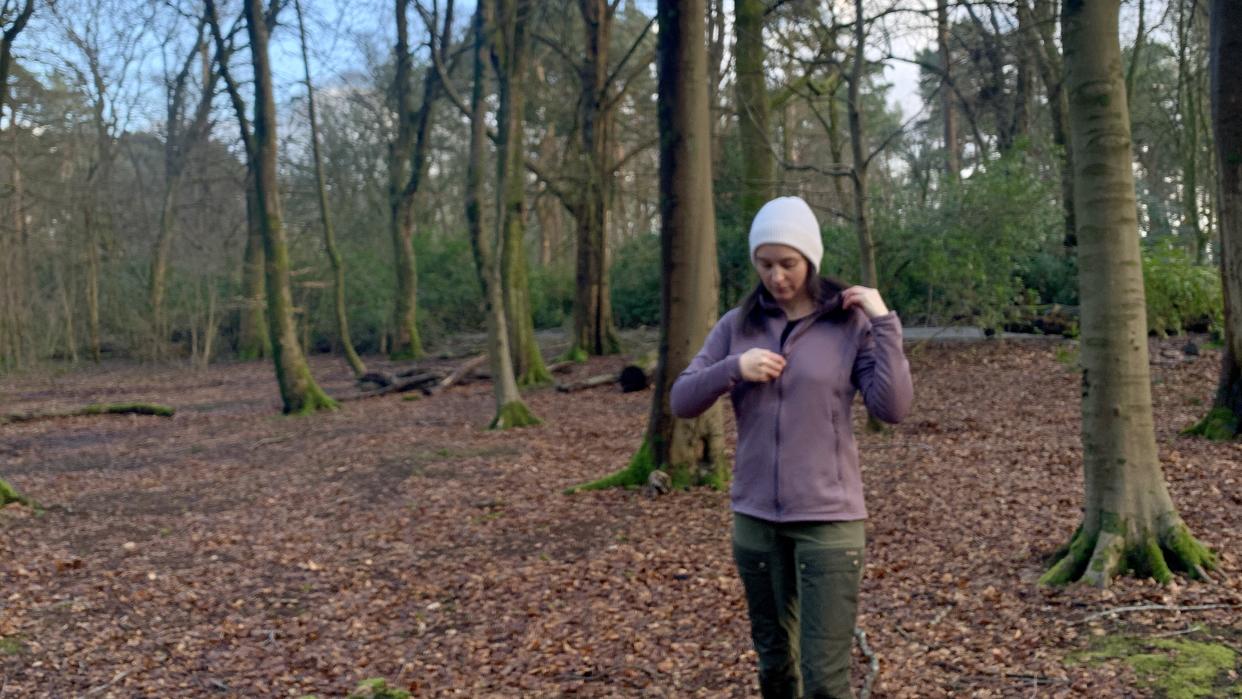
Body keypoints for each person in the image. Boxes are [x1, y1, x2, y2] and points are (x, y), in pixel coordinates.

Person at [670, 196, 913, 699]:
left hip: (829, 520)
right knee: (775, 669)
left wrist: (883, 320)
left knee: (825, 681)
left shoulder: (849, 324)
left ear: (811, 260)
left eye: (788, 263)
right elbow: (681, 399)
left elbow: (892, 408)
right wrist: (734, 368)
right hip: (756, 520)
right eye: (765, 264)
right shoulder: (737, 326)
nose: (777, 276)